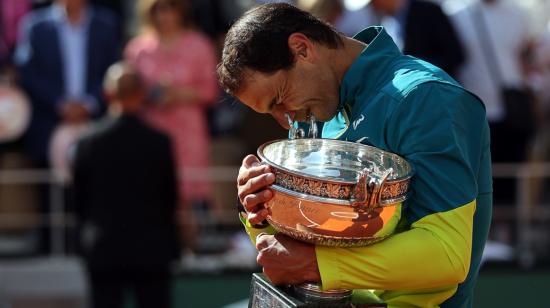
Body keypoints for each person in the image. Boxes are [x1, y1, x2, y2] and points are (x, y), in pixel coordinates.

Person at [218, 3, 492, 307]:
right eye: (271, 112)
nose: (287, 120)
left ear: (302, 49)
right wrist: (261, 211)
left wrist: (318, 265)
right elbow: (298, 258)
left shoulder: (425, 97)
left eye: (280, 99)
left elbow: (447, 254)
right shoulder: (322, 107)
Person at [72, 61, 180, 308]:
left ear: (107, 94)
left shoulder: (87, 142)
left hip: (103, 249)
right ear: (142, 94)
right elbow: (169, 198)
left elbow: (79, 200)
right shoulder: (159, 142)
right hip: (151, 250)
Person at [125, 0, 218, 247]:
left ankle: (189, 253)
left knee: (186, 197)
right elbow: (129, 91)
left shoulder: (199, 44)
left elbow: (210, 92)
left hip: (187, 131)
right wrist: (153, 95)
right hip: (151, 130)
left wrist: (178, 94)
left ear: (180, 11)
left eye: (169, 8)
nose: (164, 15)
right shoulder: (137, 49)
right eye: (157, 10)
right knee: (153, 193)